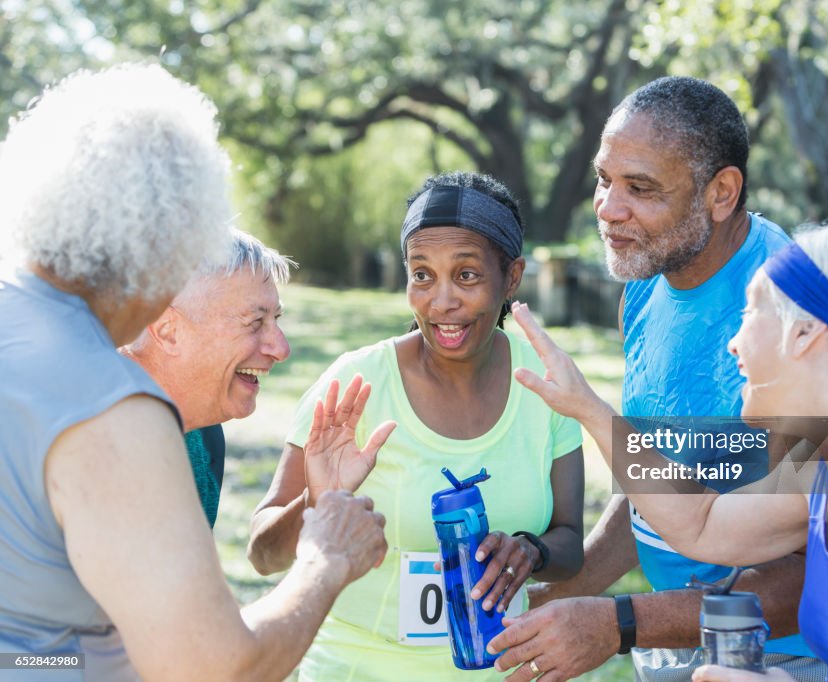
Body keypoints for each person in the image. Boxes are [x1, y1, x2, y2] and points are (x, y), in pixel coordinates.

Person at [0, 63, 389, 681]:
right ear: (166, 235)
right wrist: (328, 558)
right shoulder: (110, 406)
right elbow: (215, 667)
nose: (279, 346)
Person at [509, 222, 828, 681]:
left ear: (803, 333)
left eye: (750, 313)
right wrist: (592, 411)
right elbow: (702, 523)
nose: (733, 344)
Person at [487, 76, 816, 681]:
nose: (609, 210)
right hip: (666, 642)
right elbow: (656, 486)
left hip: (778, 659)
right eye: (604, 179)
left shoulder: (795, 312)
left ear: (722, 193)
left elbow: (812, 575)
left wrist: (619, 623)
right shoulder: (644, 280)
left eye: (640, 188)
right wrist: (547, 608)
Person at [247, 171, 586, 681]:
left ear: (511, 277)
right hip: (356, 669)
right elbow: (263, 554)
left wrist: (530, 550)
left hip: (506, 669)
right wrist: (319, 501)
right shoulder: (355, 384)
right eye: (422, 275)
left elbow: (570, 544)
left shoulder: (544, 385)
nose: (441, 301)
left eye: (467, 275)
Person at [123, 229, 294, 527]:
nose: (281, 349)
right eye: (255, 322)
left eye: (275, 320)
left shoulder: (203, 437)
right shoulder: (94, 444)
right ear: (167, 331)